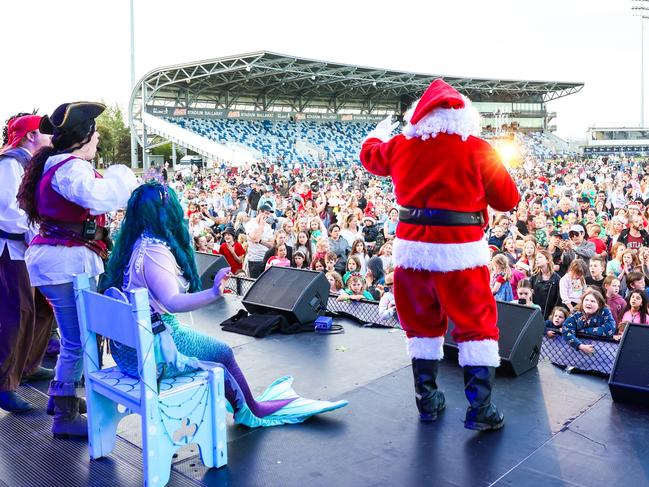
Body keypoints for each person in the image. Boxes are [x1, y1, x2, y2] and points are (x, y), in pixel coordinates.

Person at [102, 182, 347, 428]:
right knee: (223, 353)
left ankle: (244, 404)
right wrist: (213, 292)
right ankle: (251, 411)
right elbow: (172, 302)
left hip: (129, 348)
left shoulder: (137, 245)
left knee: (215, 349)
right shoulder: (155, 252)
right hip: (152, 351)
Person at [360, 79, 519, 430]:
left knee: (420, 324)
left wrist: (378, 132)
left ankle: (427, 401)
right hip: (461, 254)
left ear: (419, 117)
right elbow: (508, 199)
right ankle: (481, 409)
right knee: (476, 324)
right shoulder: (478, 148)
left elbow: (369, 154)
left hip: (412, 252)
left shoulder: (401, 145)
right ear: (464, 116)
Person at [17, 102, 138, 438]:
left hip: (60, 261)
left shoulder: (59, 165)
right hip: (66, 264)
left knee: (75, 337)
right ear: (83, 135)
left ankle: (61, 397)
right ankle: (65, 417)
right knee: (77, 340)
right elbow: (100, 198)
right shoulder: (71, 169)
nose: (98, 135)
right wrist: (122, 174)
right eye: (94, 130)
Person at [0, 114, 55, 413]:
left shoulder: (26, 164)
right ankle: (4, 384)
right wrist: (41, 229)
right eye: (44, 132)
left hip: (25, 248)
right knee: (18, 312)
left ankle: (29, 364)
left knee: (44, 308)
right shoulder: (10, 163)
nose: (50, 137)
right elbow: (7, 211)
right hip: (10, 249)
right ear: (31, 135)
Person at [562, 288, 618, 354]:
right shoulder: (577, 313)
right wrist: (580, 346)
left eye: (592, 301)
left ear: (599, 305)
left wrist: (583, 331)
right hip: (577, 353)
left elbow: (609, 330)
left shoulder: (605, 311)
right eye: (586, 300)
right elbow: (566, 330)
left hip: (601, 352)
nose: (588, 303)